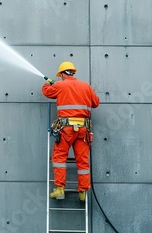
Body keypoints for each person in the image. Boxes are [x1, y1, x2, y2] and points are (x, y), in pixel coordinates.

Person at [41, 61, 99, 202]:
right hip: (83, 130)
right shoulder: (86, 86)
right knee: (83, 161)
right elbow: (95, 103)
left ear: (62, 74)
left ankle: (60, 189)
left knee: (59, 158)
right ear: (73, 72)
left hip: (66, 130)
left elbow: (46, 92)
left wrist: (48, 83)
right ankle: (83, 192)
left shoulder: (59, 85)